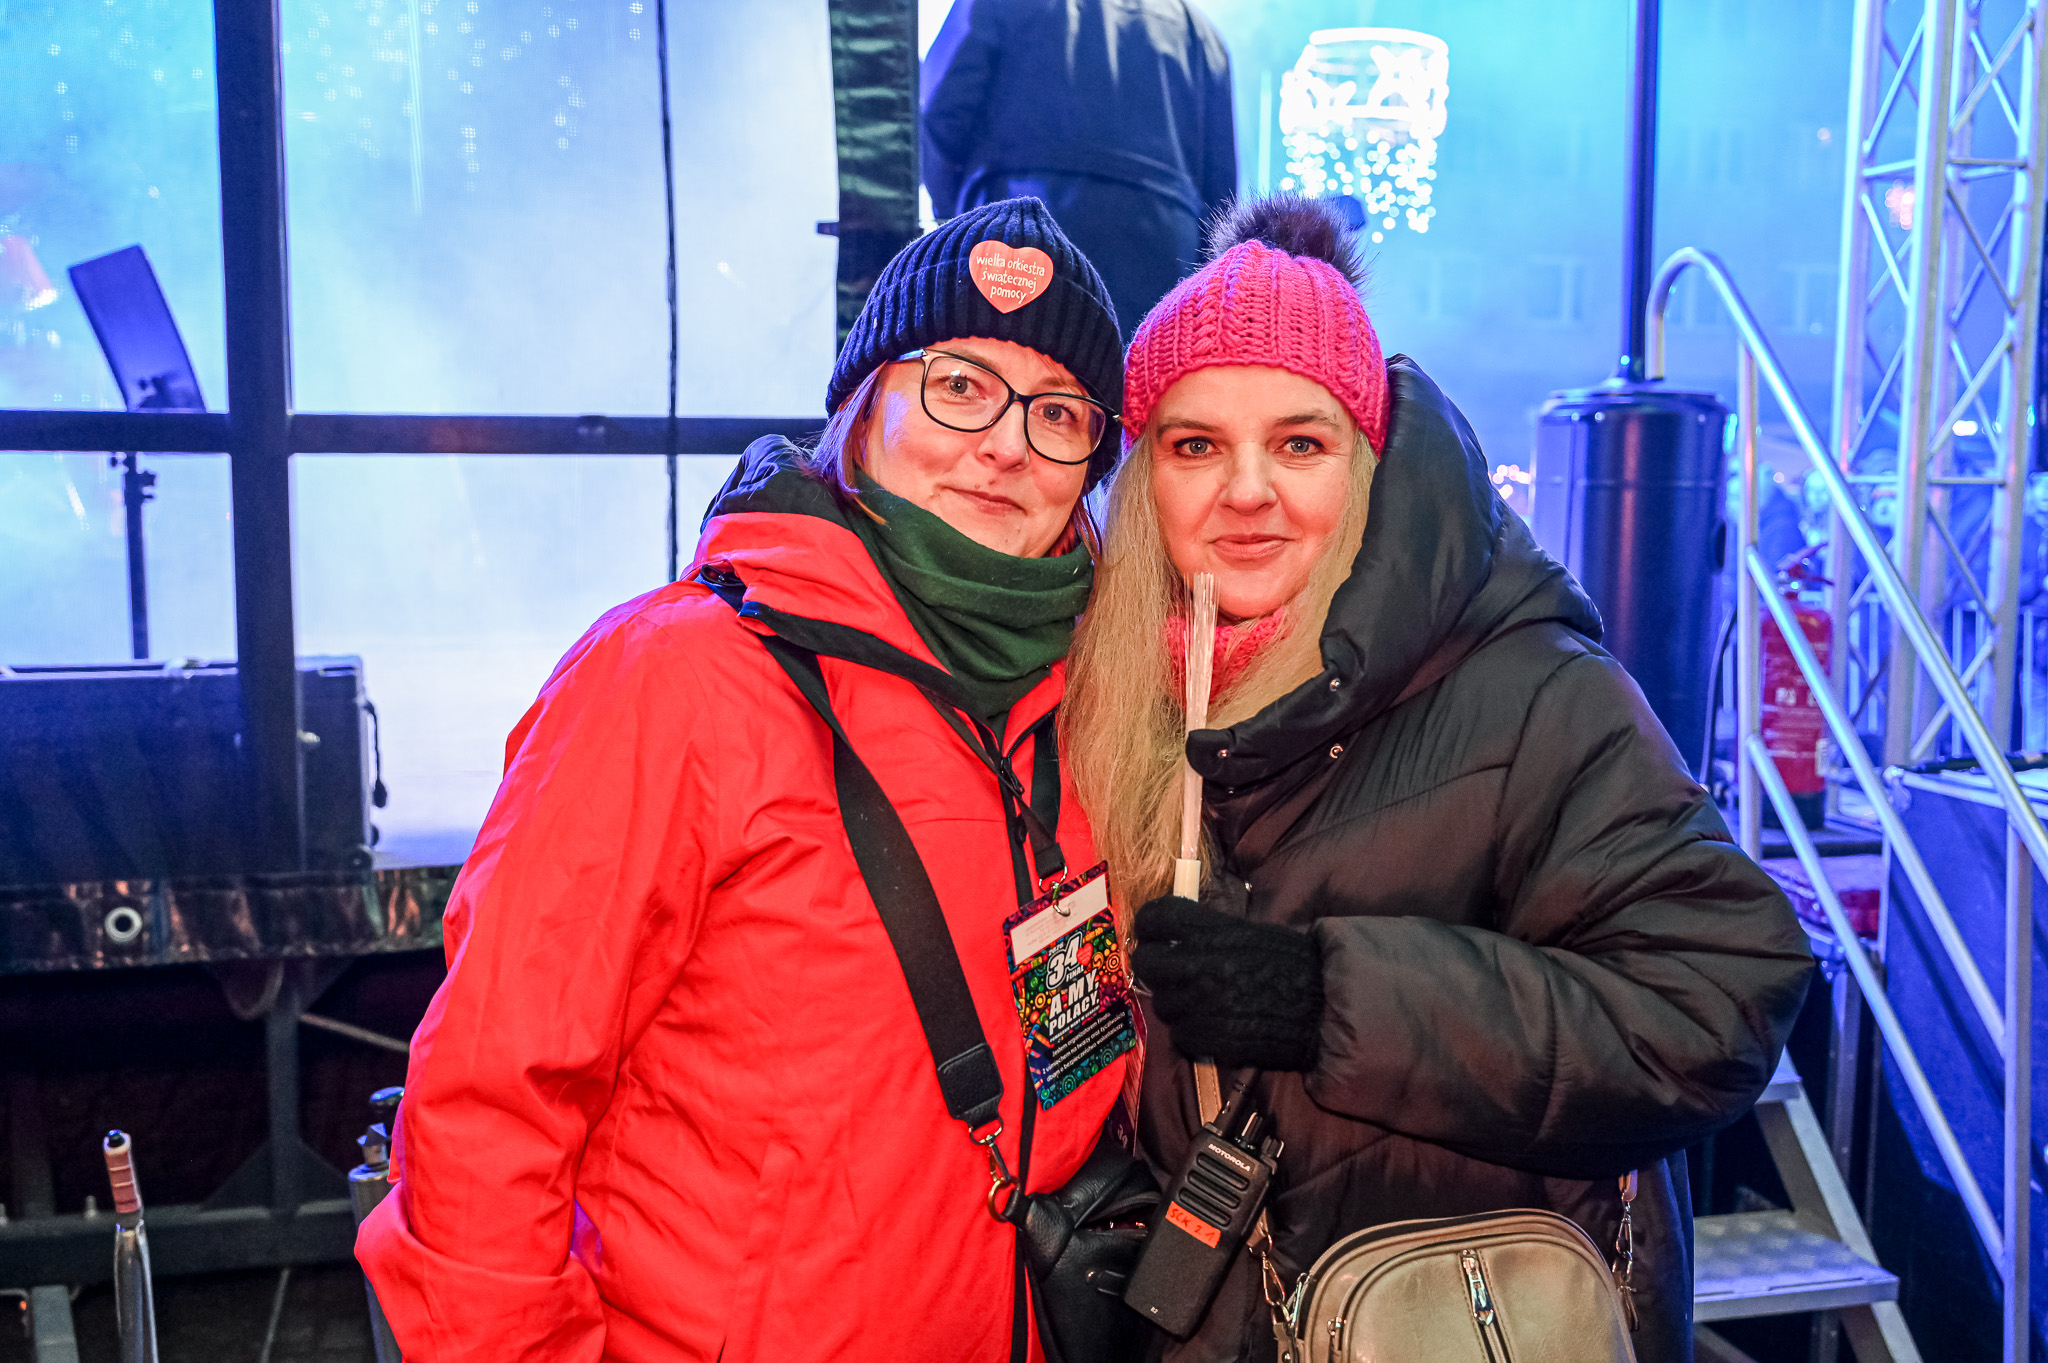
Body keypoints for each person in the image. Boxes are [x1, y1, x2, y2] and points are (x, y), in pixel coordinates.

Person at [357, 198, 1133, 1363]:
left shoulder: (1082, 710)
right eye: (958, 385)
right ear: (863, 410)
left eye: (1057, 412)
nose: (1005, 443)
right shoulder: (674, 679)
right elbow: (488, 1105)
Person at [1062, 197, 1813, 1363]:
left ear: (1367, 459)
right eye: (1193, 445)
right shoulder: (1118, 703)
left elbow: (1719, 997)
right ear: (1144, 474)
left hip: (1465, 1321)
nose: (1245, 490)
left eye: (1299, 443)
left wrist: (1333, 998)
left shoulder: (1526, 686)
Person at [922, 0, 1236, 342]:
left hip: (1018, 240)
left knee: (1008, 368)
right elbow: (1221, 203)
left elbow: (936, 117)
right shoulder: (1202, 35)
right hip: (1164, 259)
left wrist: (955, 219)